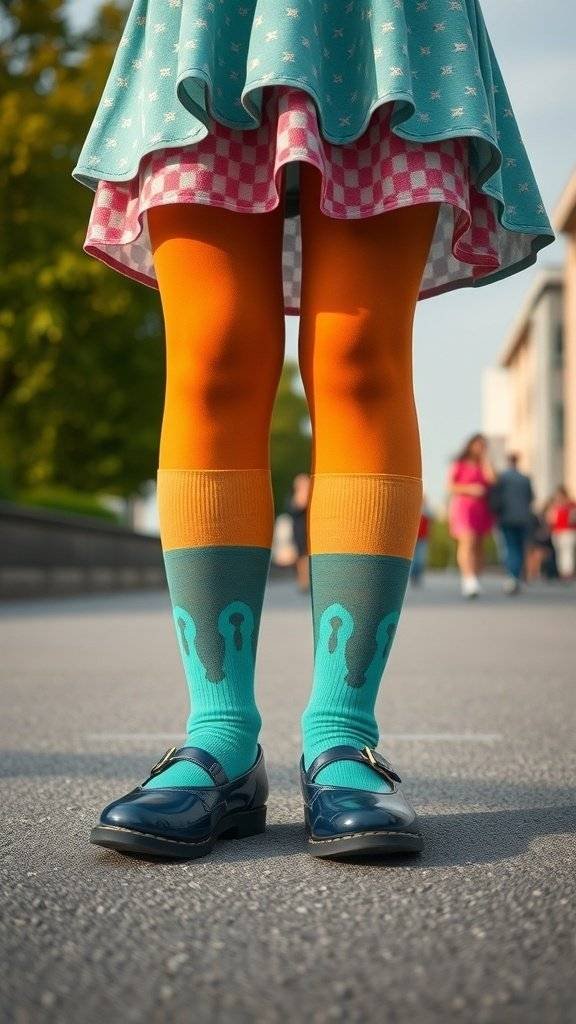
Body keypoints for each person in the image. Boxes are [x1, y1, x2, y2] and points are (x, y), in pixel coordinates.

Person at [73, 1, 554, 860]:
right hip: (214, 20)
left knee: (359, 354)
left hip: (381, 23)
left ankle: (343, 734)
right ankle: (220, 740)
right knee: (215, 354)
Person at [448, 434, 496, 599]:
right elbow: (450, 486)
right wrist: (470, 489)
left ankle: (475, 577)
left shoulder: (484, 464)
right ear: (470, 445)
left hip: (482, 509)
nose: (481, 448)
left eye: (484, 446)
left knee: (479, 545)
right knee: (467, 541)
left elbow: (493, 480)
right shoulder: (459, 464)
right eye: (478, 445)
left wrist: (486, 461)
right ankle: (468, 580)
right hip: (464, 507)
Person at [492, 454, 534, 594]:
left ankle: (512, 577)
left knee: (510, 547)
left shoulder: (502, 478)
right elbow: (531, 498)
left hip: (506, 518)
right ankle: (517, 576)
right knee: (521, 548)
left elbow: (496, 497)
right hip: (523, 518)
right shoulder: (525, 479)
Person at [287, 473, 311, 593]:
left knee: (307, 556)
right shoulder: (294, 497)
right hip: (299, 531)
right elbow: (294, 509)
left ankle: (307, 581)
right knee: (301, 556)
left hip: (309, 530)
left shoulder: (311, 496)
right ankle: (303, 581)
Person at [547, 486, 576, 579]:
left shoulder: (571, 505)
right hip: (557, 531)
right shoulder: (555, 506)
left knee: (567, 552)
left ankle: (567, 572)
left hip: (568, 531)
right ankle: (561, 571)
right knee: (559, 552)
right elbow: (550, 519)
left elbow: (573, 518)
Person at [410, 496, 433, 586]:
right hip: (413, 538)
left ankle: (417, 577)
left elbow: (430, 524)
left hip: (423, 538)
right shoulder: (413, 510)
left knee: (420, 559)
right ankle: (412, 576)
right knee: (413, 559)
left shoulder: (426, 511)